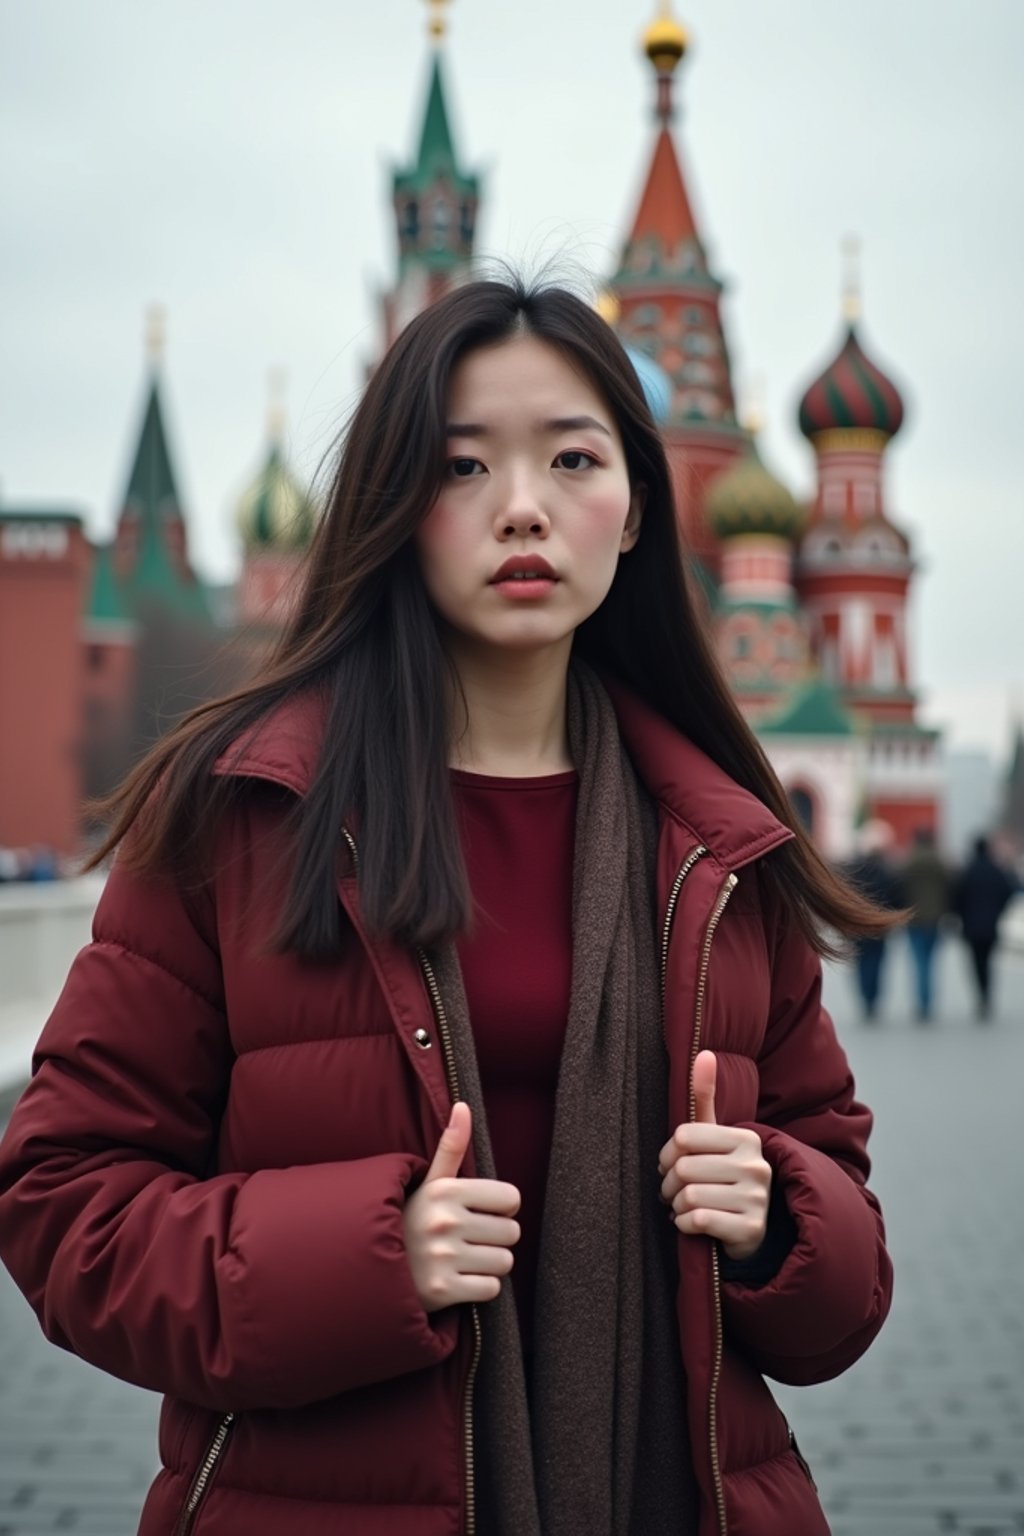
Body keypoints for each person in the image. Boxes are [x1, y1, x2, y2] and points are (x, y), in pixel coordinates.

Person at [0, 279, 894, 1536]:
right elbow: (63, 1204)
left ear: (636, 510)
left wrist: (774, 1221)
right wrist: (371, 1259)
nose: (522, 506)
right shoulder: (247, 818)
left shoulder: (720, 848)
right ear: (396, 509)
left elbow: (847, 1253)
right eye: (461, 465)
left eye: (572, 458)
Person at [844, 820, 905, 1021]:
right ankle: (873, 998)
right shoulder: (886, 871)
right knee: (878, 963)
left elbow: (845, 897)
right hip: (880, 925)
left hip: (858, 924)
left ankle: (865, 997)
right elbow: (895, 897)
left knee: (861, 962)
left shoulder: (855, 871)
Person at [951, 835, 1017, 1019]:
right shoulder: (996, 871)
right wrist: (998, 911)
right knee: (988, 962)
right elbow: (1008, 892)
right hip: (990, 925)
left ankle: (981, 995)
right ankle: (986, 994)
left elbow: (957, 897)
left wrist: (961, 914)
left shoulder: (968, 871)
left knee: (976, 963)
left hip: (971, 926)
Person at [900, 825, 951, 1021]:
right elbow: (949, 888)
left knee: (918, 961)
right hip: (935, 918)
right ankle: (928, 1000)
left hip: (914, 918)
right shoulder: (939, 861)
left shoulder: (909, 862)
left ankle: (922, 1001)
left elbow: (900, 889)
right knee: (931, 961)